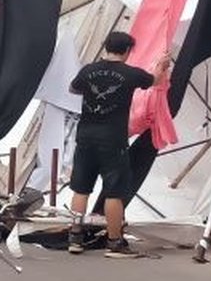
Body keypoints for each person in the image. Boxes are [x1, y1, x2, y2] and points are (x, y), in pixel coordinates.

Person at [67, 31, 171, 258]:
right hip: (113, 140)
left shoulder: (88, 70)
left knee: (81, 188)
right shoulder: (130, 73)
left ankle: (75, 238)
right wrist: (162, 65)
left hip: (85, 136)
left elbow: (73, 88)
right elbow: (156, 81)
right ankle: (114, 242)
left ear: (106, 46)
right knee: (114, 190)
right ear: (127, 51)